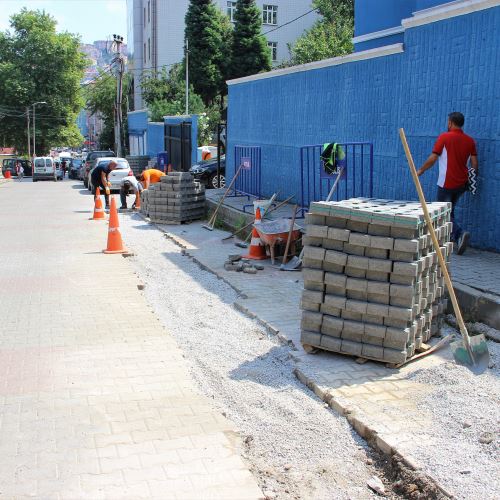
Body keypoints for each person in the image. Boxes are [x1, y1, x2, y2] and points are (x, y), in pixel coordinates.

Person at [418, 112, 478, 255]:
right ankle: (450, 237)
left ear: (450, 122)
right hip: (462, 184)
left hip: (446, 183)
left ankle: (459, 234)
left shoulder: (444, 137)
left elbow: (433, 158)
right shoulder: (470, 141)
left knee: (442, 214)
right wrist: (472, 179)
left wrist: (421, 170)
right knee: (450, 211)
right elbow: (474, 163)